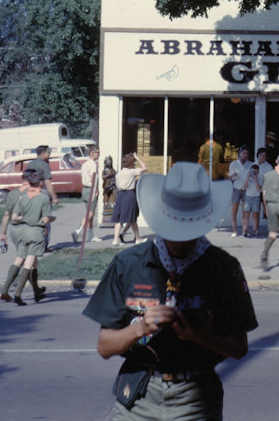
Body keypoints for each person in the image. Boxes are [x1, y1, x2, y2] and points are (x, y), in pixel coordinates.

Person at [82, 162, 257, 419]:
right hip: (139, 392)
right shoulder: (129, 264)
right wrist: (141, 327)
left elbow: (239, 347)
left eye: (189, 230)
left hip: (195, 397)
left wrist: (200, 336)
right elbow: (104, 347)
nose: (181, 238)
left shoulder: (223, 269)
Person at [7, 170, 54, 305]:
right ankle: (18, 294)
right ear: (40, 183)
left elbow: (14, 217)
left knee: (28, 261)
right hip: (36, 233)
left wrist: (26, 218)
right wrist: (52, 218)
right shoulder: (43, 198)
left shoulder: (23, 198)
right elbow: (45, 219)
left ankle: (36, 292)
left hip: (24, 231)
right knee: (29, 263)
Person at [0, 170, 45, 304]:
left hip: (14, 230)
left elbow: (7, 214)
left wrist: (2, 234)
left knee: (29, 259)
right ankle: (11, 291)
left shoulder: (12, 193)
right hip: (28, 229)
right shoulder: (34, 194)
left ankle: (35, 290)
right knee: (27, 260)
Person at [26, 145, 59, 252]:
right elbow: (48, 182)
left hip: (31, 192)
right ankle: (43, 245)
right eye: (48, 153)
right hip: (43, 193)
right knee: (45, 219)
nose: (49, 155)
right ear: (43, 153)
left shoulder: (30, 164)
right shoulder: (44, 165)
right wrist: (54, 197)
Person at [112, 153, 147, 247]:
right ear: (131, 163)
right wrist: (138, 158)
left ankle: (116, 239)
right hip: (129, 195)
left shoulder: (119, 173)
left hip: (120, 195)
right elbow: (144, 168)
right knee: (132, 218)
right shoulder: (131, 172)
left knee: (119, 219)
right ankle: (138, 239)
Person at [73, 146, 103, 244]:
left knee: (91, 213)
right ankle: (78, 231)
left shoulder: (84, 164)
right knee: (90, 213)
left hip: (85, 190)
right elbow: (93, 178)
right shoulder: (93, 165)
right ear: (92, 153)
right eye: (97, 152)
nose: (99, 154)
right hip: (91, 190)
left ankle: (91, 235)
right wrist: (97, 190)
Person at [227, 145, 252, 238]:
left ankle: (244, 231)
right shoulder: (233, 164)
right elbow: (229, 178)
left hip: (246, 189)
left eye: (247, 154)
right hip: (236, 188)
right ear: (240, 153)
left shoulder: (250, 164)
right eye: (243, 153)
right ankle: (234, 231)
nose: (245, 155)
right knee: (234, 211)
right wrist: (233, 175)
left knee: (245, 211)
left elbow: (251, 177)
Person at [252, 148, 274, 236]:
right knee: (256, 211)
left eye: (264, 156)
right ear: (257, 156)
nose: (262, 157)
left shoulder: (268, 167)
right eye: (260, 155)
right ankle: (255, 230)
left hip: (265, 190)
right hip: (255, 191)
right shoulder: (253, 165)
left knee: (267, 211)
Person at [241, 164, 262, 239]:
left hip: (256, 197)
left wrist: (255, 179)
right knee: (246, 214)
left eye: (255, 172)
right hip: (248, 197)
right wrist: (248, 178)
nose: (254, 173)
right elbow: (244, 187)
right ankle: (245, 230)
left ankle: (255, 230)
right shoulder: (248, 177)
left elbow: (259, 188)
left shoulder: (260, 177)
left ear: (258, 172)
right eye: (253, 171)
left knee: (255, 215)